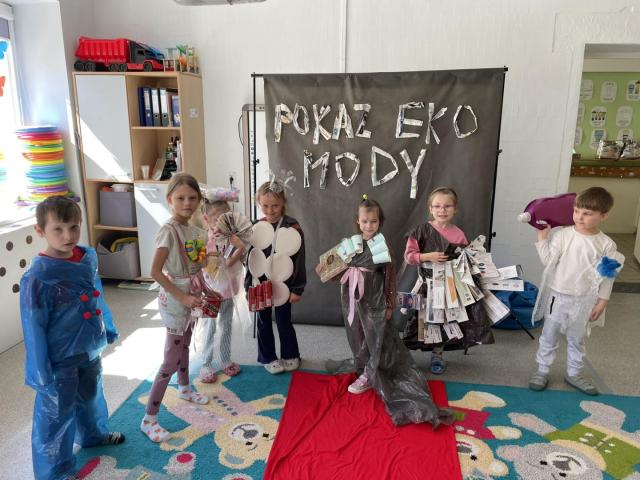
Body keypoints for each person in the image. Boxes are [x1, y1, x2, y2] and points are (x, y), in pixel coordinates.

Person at [316, 196, 452, 426]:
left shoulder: (382, 247)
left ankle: (372, 373)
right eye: (364, 221)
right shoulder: (350, 244)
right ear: (358, 221)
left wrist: (389, 304)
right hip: (353, 299)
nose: (369, 226)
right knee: (358, 335)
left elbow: (390, 279)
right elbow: (329, 272)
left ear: (380, 222)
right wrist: (331, 268)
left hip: (375, 301)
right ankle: (365, 365)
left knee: (376, 337)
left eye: (374, 222)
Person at [20, 195, 124, 480]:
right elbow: (33, 325)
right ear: (40, 231)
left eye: (74, 227)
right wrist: (39, 368)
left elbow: (96, 294)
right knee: (57, 412)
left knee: (90, 395)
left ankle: (92, 435)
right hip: (59, 356)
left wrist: (107, 325)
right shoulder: (38, 276)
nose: (68, 236)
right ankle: (56, 471)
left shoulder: (86, 258)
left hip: (88, 346)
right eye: (58, 229)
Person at [528, 187, 624, 395]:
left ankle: (574, 373)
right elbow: (548, 262)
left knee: (576, 339)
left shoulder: (606, 244)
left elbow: (607, 275)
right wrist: (542, 239)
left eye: (587, 213)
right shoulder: (563, 235)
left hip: (584, 299)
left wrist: (602, 300)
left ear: (603, 216)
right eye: (577, 211)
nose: (579, 217)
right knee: (549, 335)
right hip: (558, 295)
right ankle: (542, 370)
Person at [141, 173, 210, 442]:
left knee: (185, 345)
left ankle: (184, 388)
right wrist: (182, 297)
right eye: (180, 198)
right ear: (169, 199)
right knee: (170, 358)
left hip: (190, 295)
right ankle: (149, 418)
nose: (187, 203)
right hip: (176, 300)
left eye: (192, 198)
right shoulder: (168, 231)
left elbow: (199, 262)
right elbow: (155, 272)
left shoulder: (193, 230)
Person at [403, 187, 494, 374]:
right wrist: (427, 256)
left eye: (447, 206)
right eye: (437, 206)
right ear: (430, 209)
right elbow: (409, 257)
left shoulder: (459, 234)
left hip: (449, 288)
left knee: (444, 322)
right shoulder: (420, 231)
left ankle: (438, 354)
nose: (442, 210)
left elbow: (465, 261)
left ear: (455, 209)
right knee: (419, 320)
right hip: (426, 287)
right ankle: (406, 356)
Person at [245, 176, 306, 374]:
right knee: (263, 321)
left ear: (283, 203)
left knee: (283, 320)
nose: (270, 211)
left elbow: (300, 259)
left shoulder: (292, 227)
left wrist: (297, 288)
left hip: (284, 284)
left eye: (275, 206)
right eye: (265, 206)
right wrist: (248, 286)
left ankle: (291, 355)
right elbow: (251, 259)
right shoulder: (256, 227)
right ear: (258, 203)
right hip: (260, 283)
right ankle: (268, 357)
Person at [198, 198, 245, 382]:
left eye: (226, 218)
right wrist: (211, 261)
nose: (221, 223)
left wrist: (236, 251)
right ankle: (206, 363)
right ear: (206, 219)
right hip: (210, 293)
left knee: (226, 326)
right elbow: (201, 264)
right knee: (209, 328)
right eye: (217, 219)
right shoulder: (203, 240)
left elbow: (234, 258)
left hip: (227, 290)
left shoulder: (230, 238)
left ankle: (225, 360)